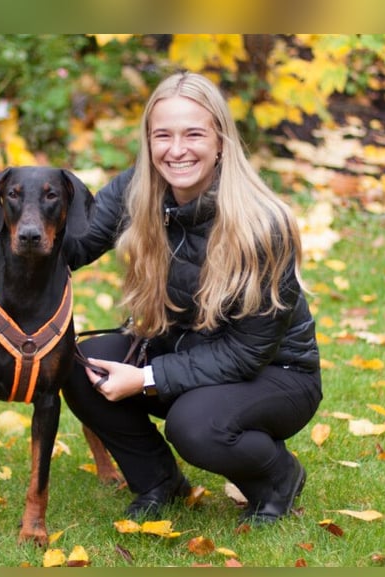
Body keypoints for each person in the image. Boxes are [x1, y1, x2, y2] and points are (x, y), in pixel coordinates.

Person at [62, 72, 322, 524]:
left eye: (194, 134)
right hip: (184, 347)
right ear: (148, 141)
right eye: (163, 135)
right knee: (82, 366)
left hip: (275, 373)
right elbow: (75, 246)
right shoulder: (138, 189)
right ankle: (159, 481)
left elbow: (246, 353)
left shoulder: (262, 223)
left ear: (220, 140)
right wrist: (9, 240)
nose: (176, 150)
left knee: (195, 425)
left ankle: (278, 478)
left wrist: (144, 378)